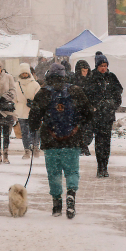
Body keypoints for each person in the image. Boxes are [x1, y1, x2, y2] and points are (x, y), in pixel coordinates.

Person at [29, 63, 93, 219]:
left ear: (49, 76)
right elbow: (89, 113)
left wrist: (36, 126)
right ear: (65, 75)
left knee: (54, 173)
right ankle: (71, 194)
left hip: (51, 141)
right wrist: (79, 126)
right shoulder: (75, 91)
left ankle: (56, 203)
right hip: (72, 140)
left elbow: (33, 120)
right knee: (72, 171)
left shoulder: (43, 92)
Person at [84, 51, 123, 178]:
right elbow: (87, 95)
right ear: (97, 66)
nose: (104, 68)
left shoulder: (111, 77)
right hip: (97, 116)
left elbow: (118, 92)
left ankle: (105, 167)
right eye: (101, 66)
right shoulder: (92, 78)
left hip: (108, 116)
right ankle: (99, 166)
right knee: (99, 141)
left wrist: (113, 104)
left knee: (106, 142)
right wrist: (96, 106)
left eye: (105, 66)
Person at [14, 63, 41, 159]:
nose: (24, 75)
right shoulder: (16, 85)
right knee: (24, 132)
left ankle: (35, 147)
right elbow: (14, 99)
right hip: (21, 111)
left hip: (33, 111)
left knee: (34, 130)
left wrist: (35, 104)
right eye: (23, 73)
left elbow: (39, 97)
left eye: (26, 73)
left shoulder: (35, 84)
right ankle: (26, 150)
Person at [71, 60, 94, 156]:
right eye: (83, 71)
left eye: (86, 71)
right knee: (79, 129)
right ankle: (82, 146)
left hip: (87, 109)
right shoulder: (74, 81)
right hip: (77, 109)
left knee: (88, 129)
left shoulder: (90, 80)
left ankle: (84, 144)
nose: (85, 73)